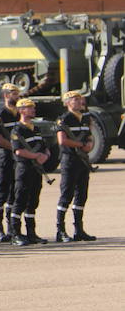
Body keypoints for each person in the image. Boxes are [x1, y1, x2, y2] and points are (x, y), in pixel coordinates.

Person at [55, 91, 96, 242]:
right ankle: (60, 230)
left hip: (83, 161)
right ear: (67, 103)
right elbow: (62, 140)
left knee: (82, 195)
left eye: (80, 99)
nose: (79, 102)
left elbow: (89, 135)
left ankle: (79, 230)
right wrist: (80, 144)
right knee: (67, 195)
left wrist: (90, 145)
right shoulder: (64, 119)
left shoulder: (86, 118)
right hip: (70, 160)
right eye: (75, 100)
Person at [10, 98, 51, 246]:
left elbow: (44, 146)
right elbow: (18, 150)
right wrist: (36, 156)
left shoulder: (36, 128)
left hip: (36, 169)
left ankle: (31, 233)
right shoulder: (17, 130)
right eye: (29, 107)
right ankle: (15, 234)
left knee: (33, 201)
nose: (33, 110)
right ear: (21, 111)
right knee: (20, 200)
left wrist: (45, 156)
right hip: (24, 169)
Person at [0, 84, 20, 242]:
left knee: (14, 193)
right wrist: (15, 148)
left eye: (17, 93)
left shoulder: (19, 113)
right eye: (13, 93)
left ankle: (11, 228)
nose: (16, 96)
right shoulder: (0, 114)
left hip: (18, 159)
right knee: (2, 191)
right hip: (5, 157)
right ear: (6, 95)